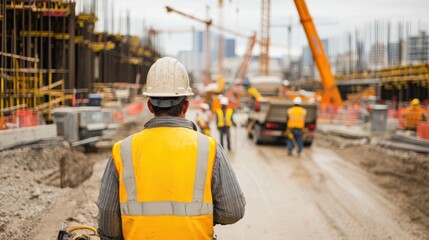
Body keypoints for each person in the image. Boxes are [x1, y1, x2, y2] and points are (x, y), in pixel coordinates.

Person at [97, 57, 245, 240]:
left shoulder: (123, 150)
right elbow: (233, 211)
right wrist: (199, 217)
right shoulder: (209, 148)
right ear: (186, 105)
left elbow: (108, 223)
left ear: (150, 106)